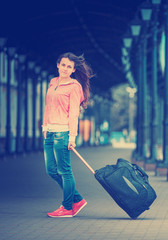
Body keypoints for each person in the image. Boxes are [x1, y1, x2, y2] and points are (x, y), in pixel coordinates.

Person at [43, 52, 93, 218]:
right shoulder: (53, 82)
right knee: (51, 170)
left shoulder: (74, 87)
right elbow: (48, 106)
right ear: (58, 64)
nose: (65, 68)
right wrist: (44, 126)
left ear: (73, 70)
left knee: (64, 171)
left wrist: (72, 137)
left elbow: (73, 114)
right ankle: (77, 200)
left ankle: (67, 208)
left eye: (69, 67)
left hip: (62, 133)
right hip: (49, 133)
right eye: (63, 65)